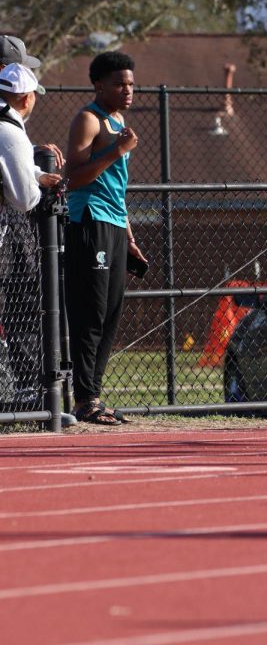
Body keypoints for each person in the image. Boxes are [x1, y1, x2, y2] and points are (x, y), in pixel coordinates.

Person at [63, 52, 147, 425]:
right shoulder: (89, 119)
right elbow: (74, 178)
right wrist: (117, 150)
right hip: (89, 221)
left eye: (130, 83)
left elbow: (119, 191)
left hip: (113, 225)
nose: (127, 90)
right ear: (99, 85)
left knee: (111, 314)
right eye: (119, 84)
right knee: (91, 313)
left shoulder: (119, 120)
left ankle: (93, 396)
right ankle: (83, 400)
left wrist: (129, 238)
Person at [0, 62, 64, 411]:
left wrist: (35, 172)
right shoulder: (11, 131)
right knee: (21, 306)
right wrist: (37, 187)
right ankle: (30, 397)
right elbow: (24, 199)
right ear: (26, 97)